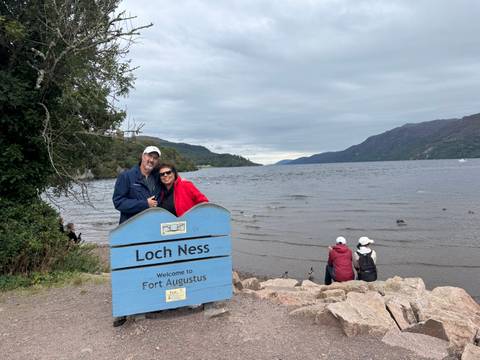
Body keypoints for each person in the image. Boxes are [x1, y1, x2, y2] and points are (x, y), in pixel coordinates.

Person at [112, 146, 162, 224]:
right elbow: (118, 202)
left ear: (157, 161)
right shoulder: (126, 176)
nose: (151, 160)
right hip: (131, 226)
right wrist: (145, 204)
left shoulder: (158, 178)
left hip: (152, 226)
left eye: (155, 158)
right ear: (143, 156)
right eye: (149, 156)